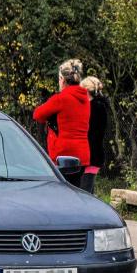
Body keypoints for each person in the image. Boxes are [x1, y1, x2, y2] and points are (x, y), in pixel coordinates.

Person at [34, 59, 90, 187]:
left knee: (62, 195)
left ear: (63, 79)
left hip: (64, 157)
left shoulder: (61, 99)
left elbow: (37, 114)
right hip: (82, 156)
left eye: (59, 78)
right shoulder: (85, 99)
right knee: (76, 193)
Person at [80, 76, 109, 194]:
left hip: (90, 155)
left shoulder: (93, 108)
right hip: (94, 155)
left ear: (86, 91)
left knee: (84, 194)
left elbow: (92, 133)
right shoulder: (101, 107)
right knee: (88, 191)